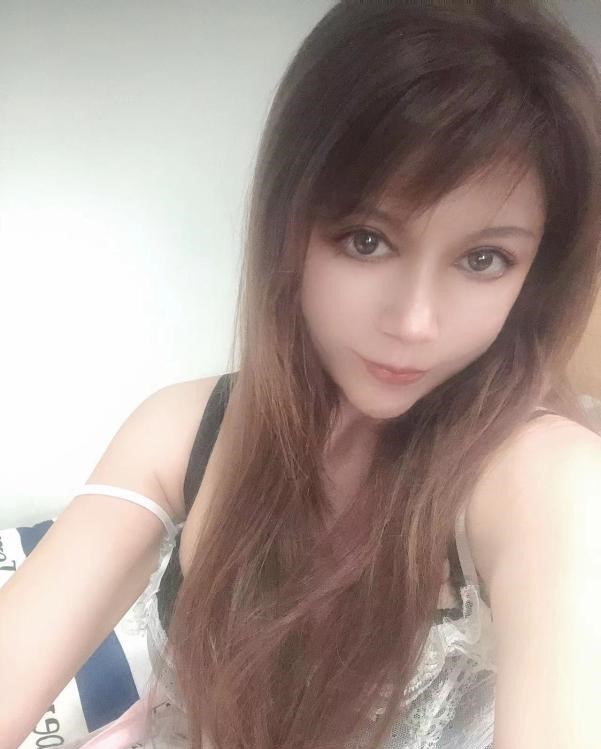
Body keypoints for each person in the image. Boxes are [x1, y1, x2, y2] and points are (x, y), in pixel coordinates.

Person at [3, 1, 601, 748]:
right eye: (367, 240)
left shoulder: (546, 479)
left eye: (483, 259)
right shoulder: (183, 430)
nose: (415, 321)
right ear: (289, 224)